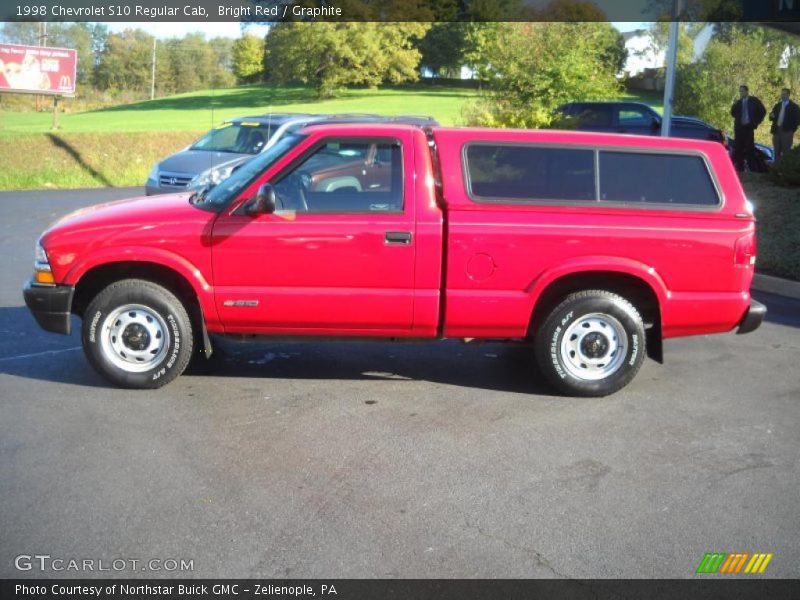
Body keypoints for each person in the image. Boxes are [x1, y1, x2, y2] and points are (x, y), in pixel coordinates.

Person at [730, 85, 766, 172]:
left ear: (747, 91)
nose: (741, 93)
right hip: (739, 128)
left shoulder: (754, 101)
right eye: (740, 91)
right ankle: (740, 168)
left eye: (742, 91)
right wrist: (734, 105)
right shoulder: (738, 102)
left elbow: (762, 111)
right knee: (738, 148)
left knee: (749, 148)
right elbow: (733, 114)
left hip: (749, 127)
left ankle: (752, 169)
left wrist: (756, 122)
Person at [769, 88, 800, 162]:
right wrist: (771, 116)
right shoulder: (778, 105)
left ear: (788, 95)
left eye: (784, 94)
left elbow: (797, 120)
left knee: (786, 151)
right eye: (782, 94)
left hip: (787, 131)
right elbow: (771, 116)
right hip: (776, 130)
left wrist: (791, 130)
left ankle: (785, 170)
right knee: (776, 151)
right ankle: (776, 170)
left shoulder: (794, 107)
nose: (782, 96)